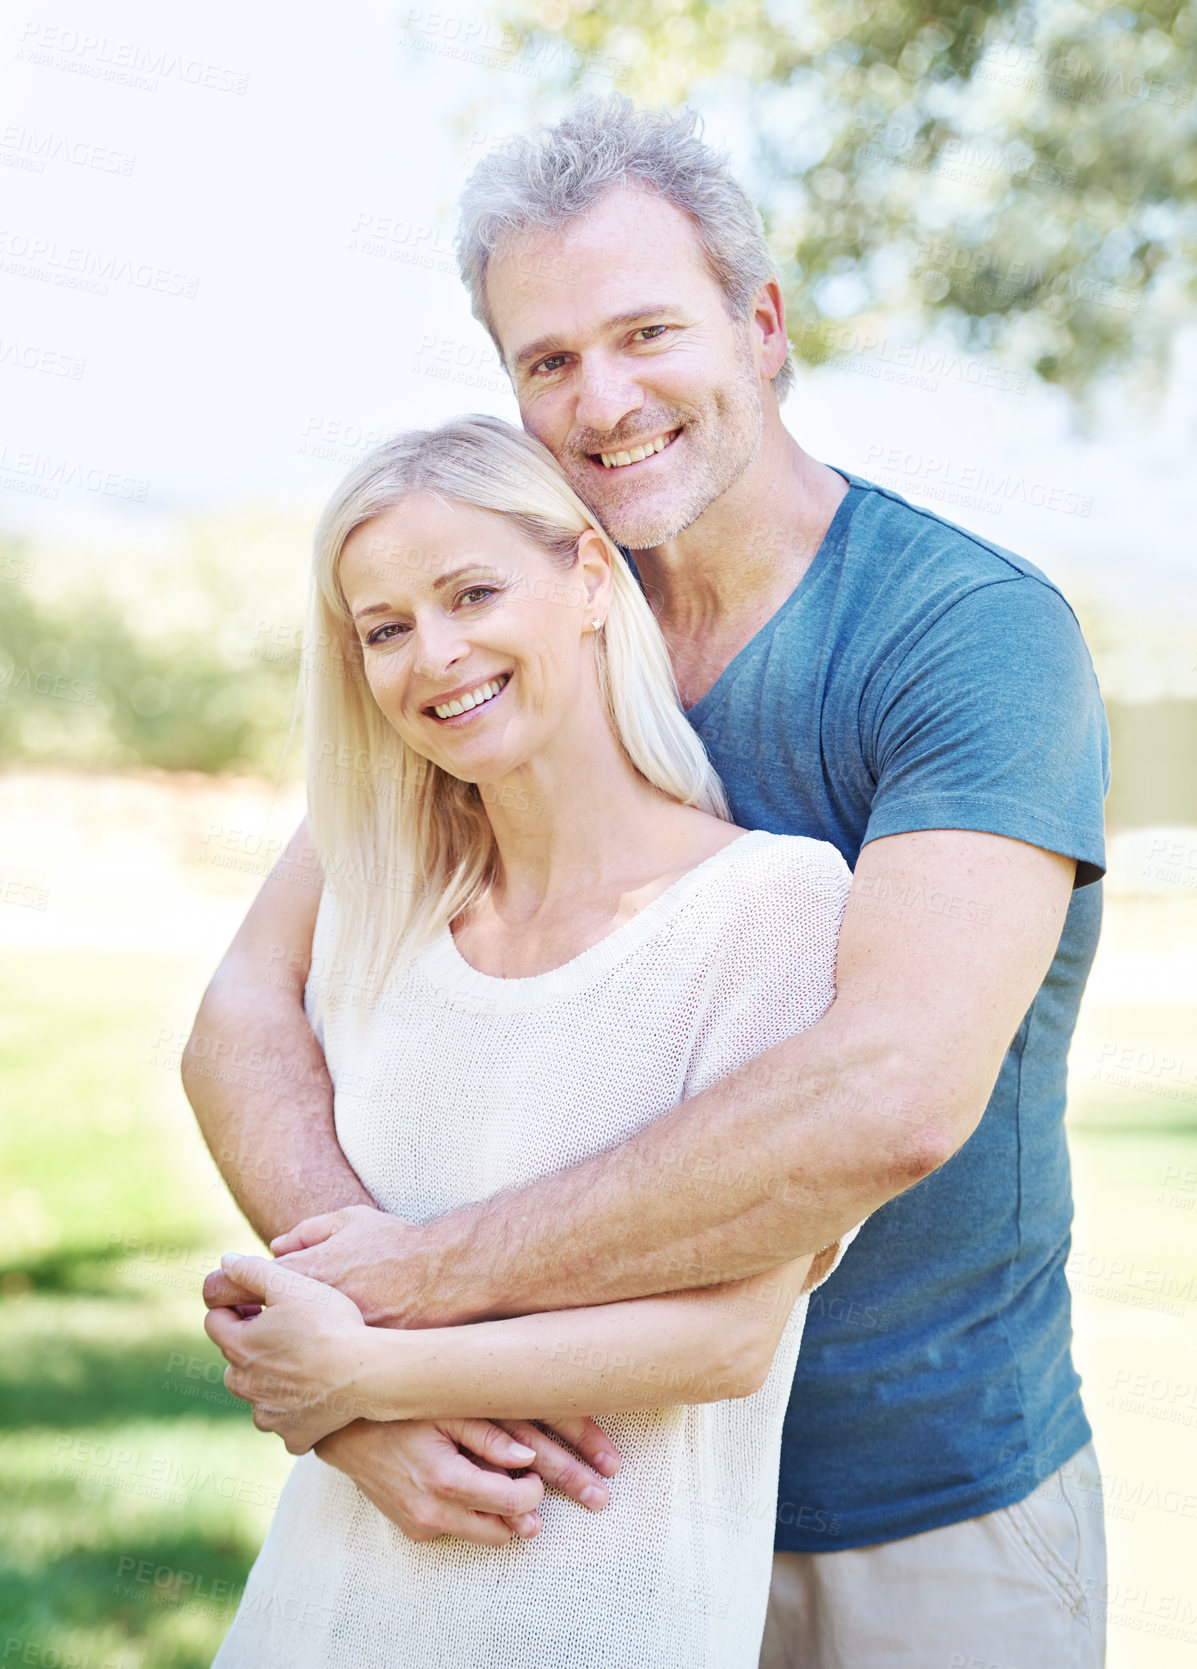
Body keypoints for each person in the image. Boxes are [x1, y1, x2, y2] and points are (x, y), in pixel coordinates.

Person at [189, 99, 1110, 1667]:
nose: (600, 399)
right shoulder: (510, 646)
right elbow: (245, 1012)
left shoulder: (963, 639)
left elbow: (886, 1092)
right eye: (545, 360)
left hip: (903, 1519)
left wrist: (412, 1299)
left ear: (759, 324)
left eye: (645, 332)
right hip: (555, 1507)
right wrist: (363, 1377)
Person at [203, 414, 859, 1667]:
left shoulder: (769, 906)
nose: (434, 654)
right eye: (386, 628)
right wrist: (349, 1419)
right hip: (313, 1615)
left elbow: (725, 1337)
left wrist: (351, 1379)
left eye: (472, 592)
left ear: (591, 580)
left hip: (595, 1626)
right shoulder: (385, 903)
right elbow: (237, 1043)